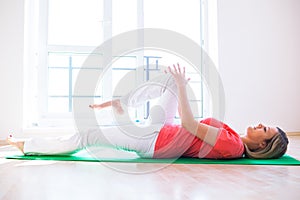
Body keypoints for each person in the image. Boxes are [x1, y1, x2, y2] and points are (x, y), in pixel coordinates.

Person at [7, 64, 289, 159]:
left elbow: (190, 125)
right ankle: (122, 103)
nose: (261, 124)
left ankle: (28, 146)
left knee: (89, 135)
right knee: (169, 79)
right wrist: (177, 86)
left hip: (157, 142)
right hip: (168, 131)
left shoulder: (231, 144)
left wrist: (181, 87)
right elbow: (188, 127)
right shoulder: (234, 138)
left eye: (265, 129)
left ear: (263, 144)